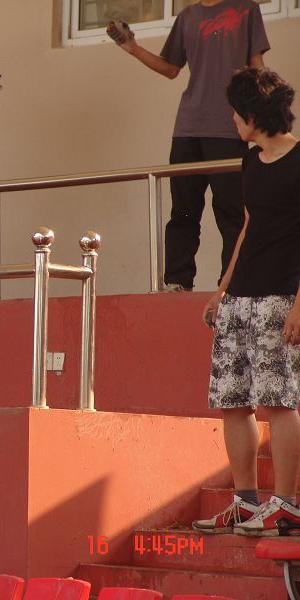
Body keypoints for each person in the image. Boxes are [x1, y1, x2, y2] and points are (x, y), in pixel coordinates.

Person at [193, 67, 300, 537]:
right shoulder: (251, 160)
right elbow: (249, 227)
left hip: (281, 297)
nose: (233, 121)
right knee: (233, 402)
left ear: (254, 115)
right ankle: (245, 502)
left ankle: (286, 506)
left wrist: (299, 306)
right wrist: (222, 288)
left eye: (237, 114)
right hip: (240, 298)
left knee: (280, 401)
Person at [108, 1, 269, 292]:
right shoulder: (187, 17)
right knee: (183, 210)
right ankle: (178, 282)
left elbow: (257, 65)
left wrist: (264, 114)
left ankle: (232, 285)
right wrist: (131, 47)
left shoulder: (246, 9)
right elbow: (171, 68)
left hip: (229, 127)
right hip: (188, 128)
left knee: (232, 211)